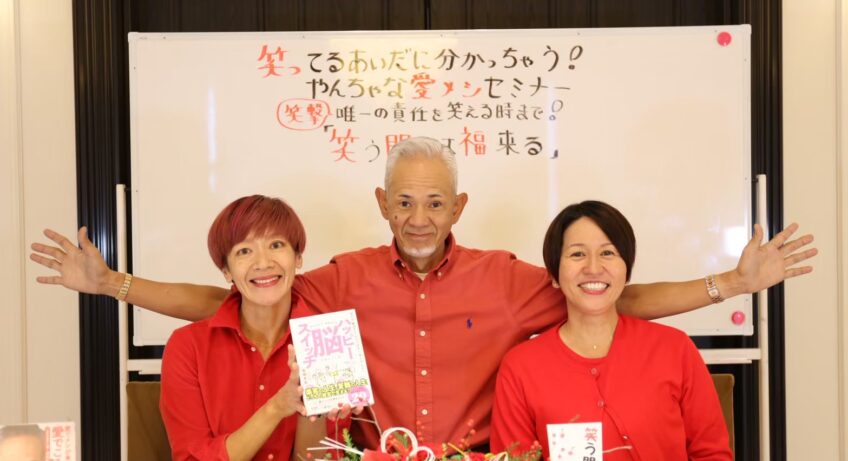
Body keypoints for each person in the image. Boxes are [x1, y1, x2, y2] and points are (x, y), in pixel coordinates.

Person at [29, 137, 816, 450]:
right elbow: (238, 298)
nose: (419, 217)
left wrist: (730, 283)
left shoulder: (506, 279)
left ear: (458, 206)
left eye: (435, 201)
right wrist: (112, 284)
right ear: (381, 203)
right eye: (404, 201)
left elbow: (607, 294)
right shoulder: (343, 279)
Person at [490, 201, 732, 460]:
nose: (593, 268)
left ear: (626, 269)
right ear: (554, 275)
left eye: (607, 253)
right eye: (577, 254)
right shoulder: (521, 367)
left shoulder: (675, 349)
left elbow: (712, 454)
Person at [158, 195, 330, 461]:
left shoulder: (326, 341)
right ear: (226, 271)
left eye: (276, 245)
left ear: (297, 257)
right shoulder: (187, 347)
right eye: (244, 251)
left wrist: (314, 408)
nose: (263, 263)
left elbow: (323, 458)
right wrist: (277, 407)